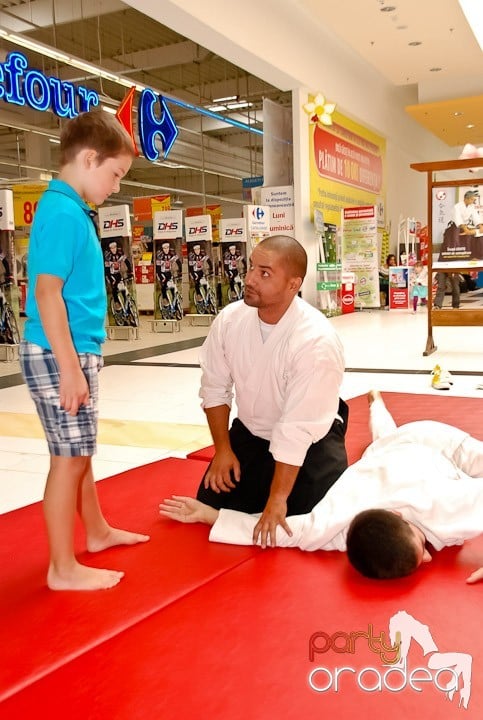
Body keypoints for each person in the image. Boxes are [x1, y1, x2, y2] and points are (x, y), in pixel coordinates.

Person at [160, 390, 483, 585]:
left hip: (439, 445)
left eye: (419, 548)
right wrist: (211, 515)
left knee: (391, 436)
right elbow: (287, 531)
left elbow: (288, 531)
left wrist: (215, 516)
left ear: (397, 515)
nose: (429, 558)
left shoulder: (447, 505)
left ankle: (376, 403)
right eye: (424, 549)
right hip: (392, 453)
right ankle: (376, 403)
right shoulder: (338, 521)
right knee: (384, 437)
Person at [19, 111, 149, 591]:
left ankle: (94, 531)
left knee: (80, 452)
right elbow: (47, 294)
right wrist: (71, 370)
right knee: (67, 458)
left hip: (71, 351)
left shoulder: (69, 211)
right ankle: (61, 567)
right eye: (114, 174)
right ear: (90, 158)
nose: (116, 187)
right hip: (59, 354)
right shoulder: (61, 213)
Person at [193, 234, 348, 548]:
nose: (249, 279)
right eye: (251, 268)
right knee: (212, 499)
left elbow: (297, 428)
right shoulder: (230, 321)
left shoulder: (315, 340)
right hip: (251, 432)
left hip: (310, 440)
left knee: (310, 519)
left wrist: (278, 499)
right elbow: (214, 388)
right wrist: (222, 451)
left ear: (293, 284)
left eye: (264, 273)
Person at [104, 239, 132, 310]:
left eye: (114, 247)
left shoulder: (120, 253)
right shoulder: (108, 256)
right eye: (112, 248)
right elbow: (106, 270)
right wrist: (110, 279)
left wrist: (130, 271)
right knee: (114, 288)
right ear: (110, 249)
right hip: (110, 274)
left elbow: (127, 262)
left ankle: (127, 309)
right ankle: (116, 302)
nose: (113, 249)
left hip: (118, 274)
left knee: (123, 290)